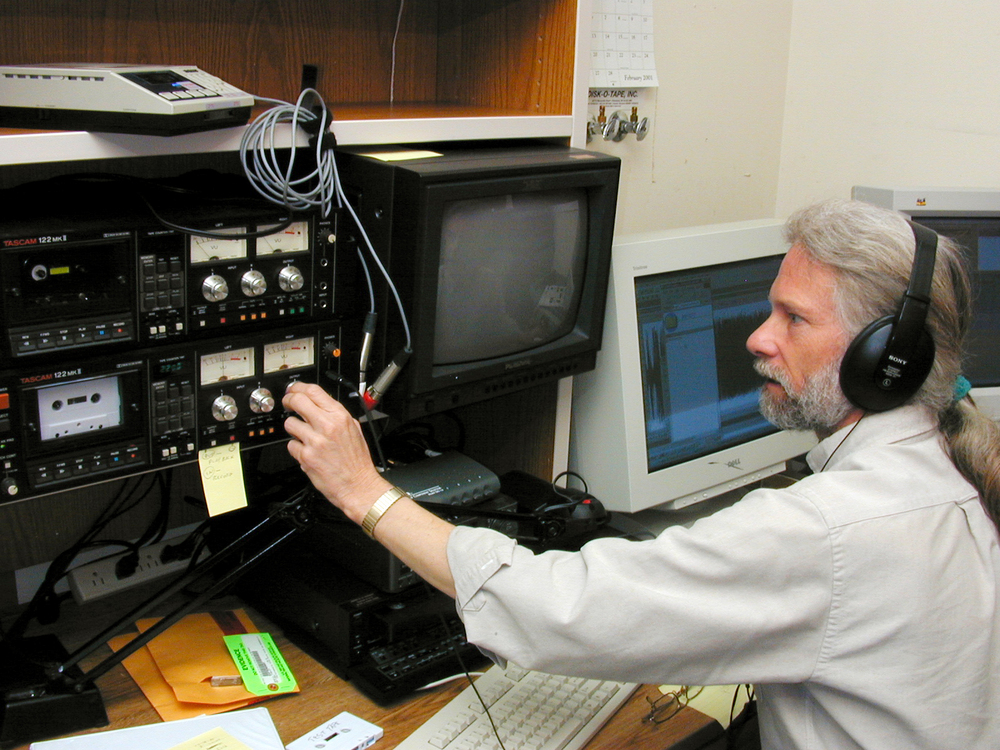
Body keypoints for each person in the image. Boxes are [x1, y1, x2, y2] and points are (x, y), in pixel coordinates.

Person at [282, 198, 1000, 749]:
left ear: (887, 357)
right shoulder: (944, 462)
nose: (758, 336)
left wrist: (365, 492)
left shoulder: (830, 529)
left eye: (793, 318)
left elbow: (559, 607)